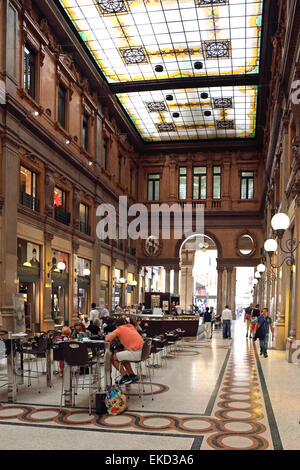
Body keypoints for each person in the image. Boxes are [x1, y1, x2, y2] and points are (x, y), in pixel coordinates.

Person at [105, 317, 144, 385]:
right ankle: (132, 375)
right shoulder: (131, 326)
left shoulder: (119, 329)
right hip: (142, 352)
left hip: (135, 353)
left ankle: (125, 376)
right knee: (123, 357)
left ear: (117, 325)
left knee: (113, 358)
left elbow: (107, 339)